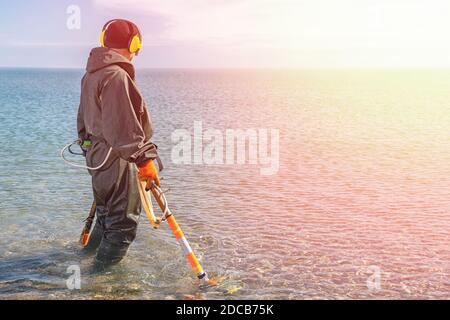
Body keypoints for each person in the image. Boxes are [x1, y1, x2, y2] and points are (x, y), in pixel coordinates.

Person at [77, 19, 161, 267]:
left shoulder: (91, 75)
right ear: (134, 43)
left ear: (104, 41)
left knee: (106, 217)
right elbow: (122, 128)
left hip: (98, 158)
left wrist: (90, 153)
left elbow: (82, 123)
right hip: (119, 160)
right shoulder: (115, 76)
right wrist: (144, 161)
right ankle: (101, 284)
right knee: (122, 226)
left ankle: (86, 263)